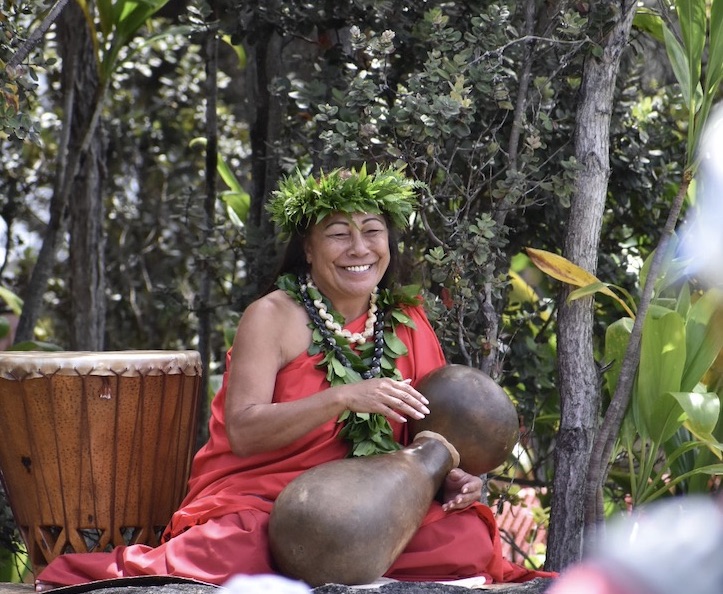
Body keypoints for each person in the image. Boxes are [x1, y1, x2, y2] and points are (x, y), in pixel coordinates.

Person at [35, 165, 552, 590]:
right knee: (232, 549)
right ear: (308, 248)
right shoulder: (272, 317)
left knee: (466, 542)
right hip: (268, 495)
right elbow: (244, 429)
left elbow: (424, 437)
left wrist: (453, 477)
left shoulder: (408, 321)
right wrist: (343, 398)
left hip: (375, 504)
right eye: (337, 234)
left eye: (372, 230)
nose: (359, 248)